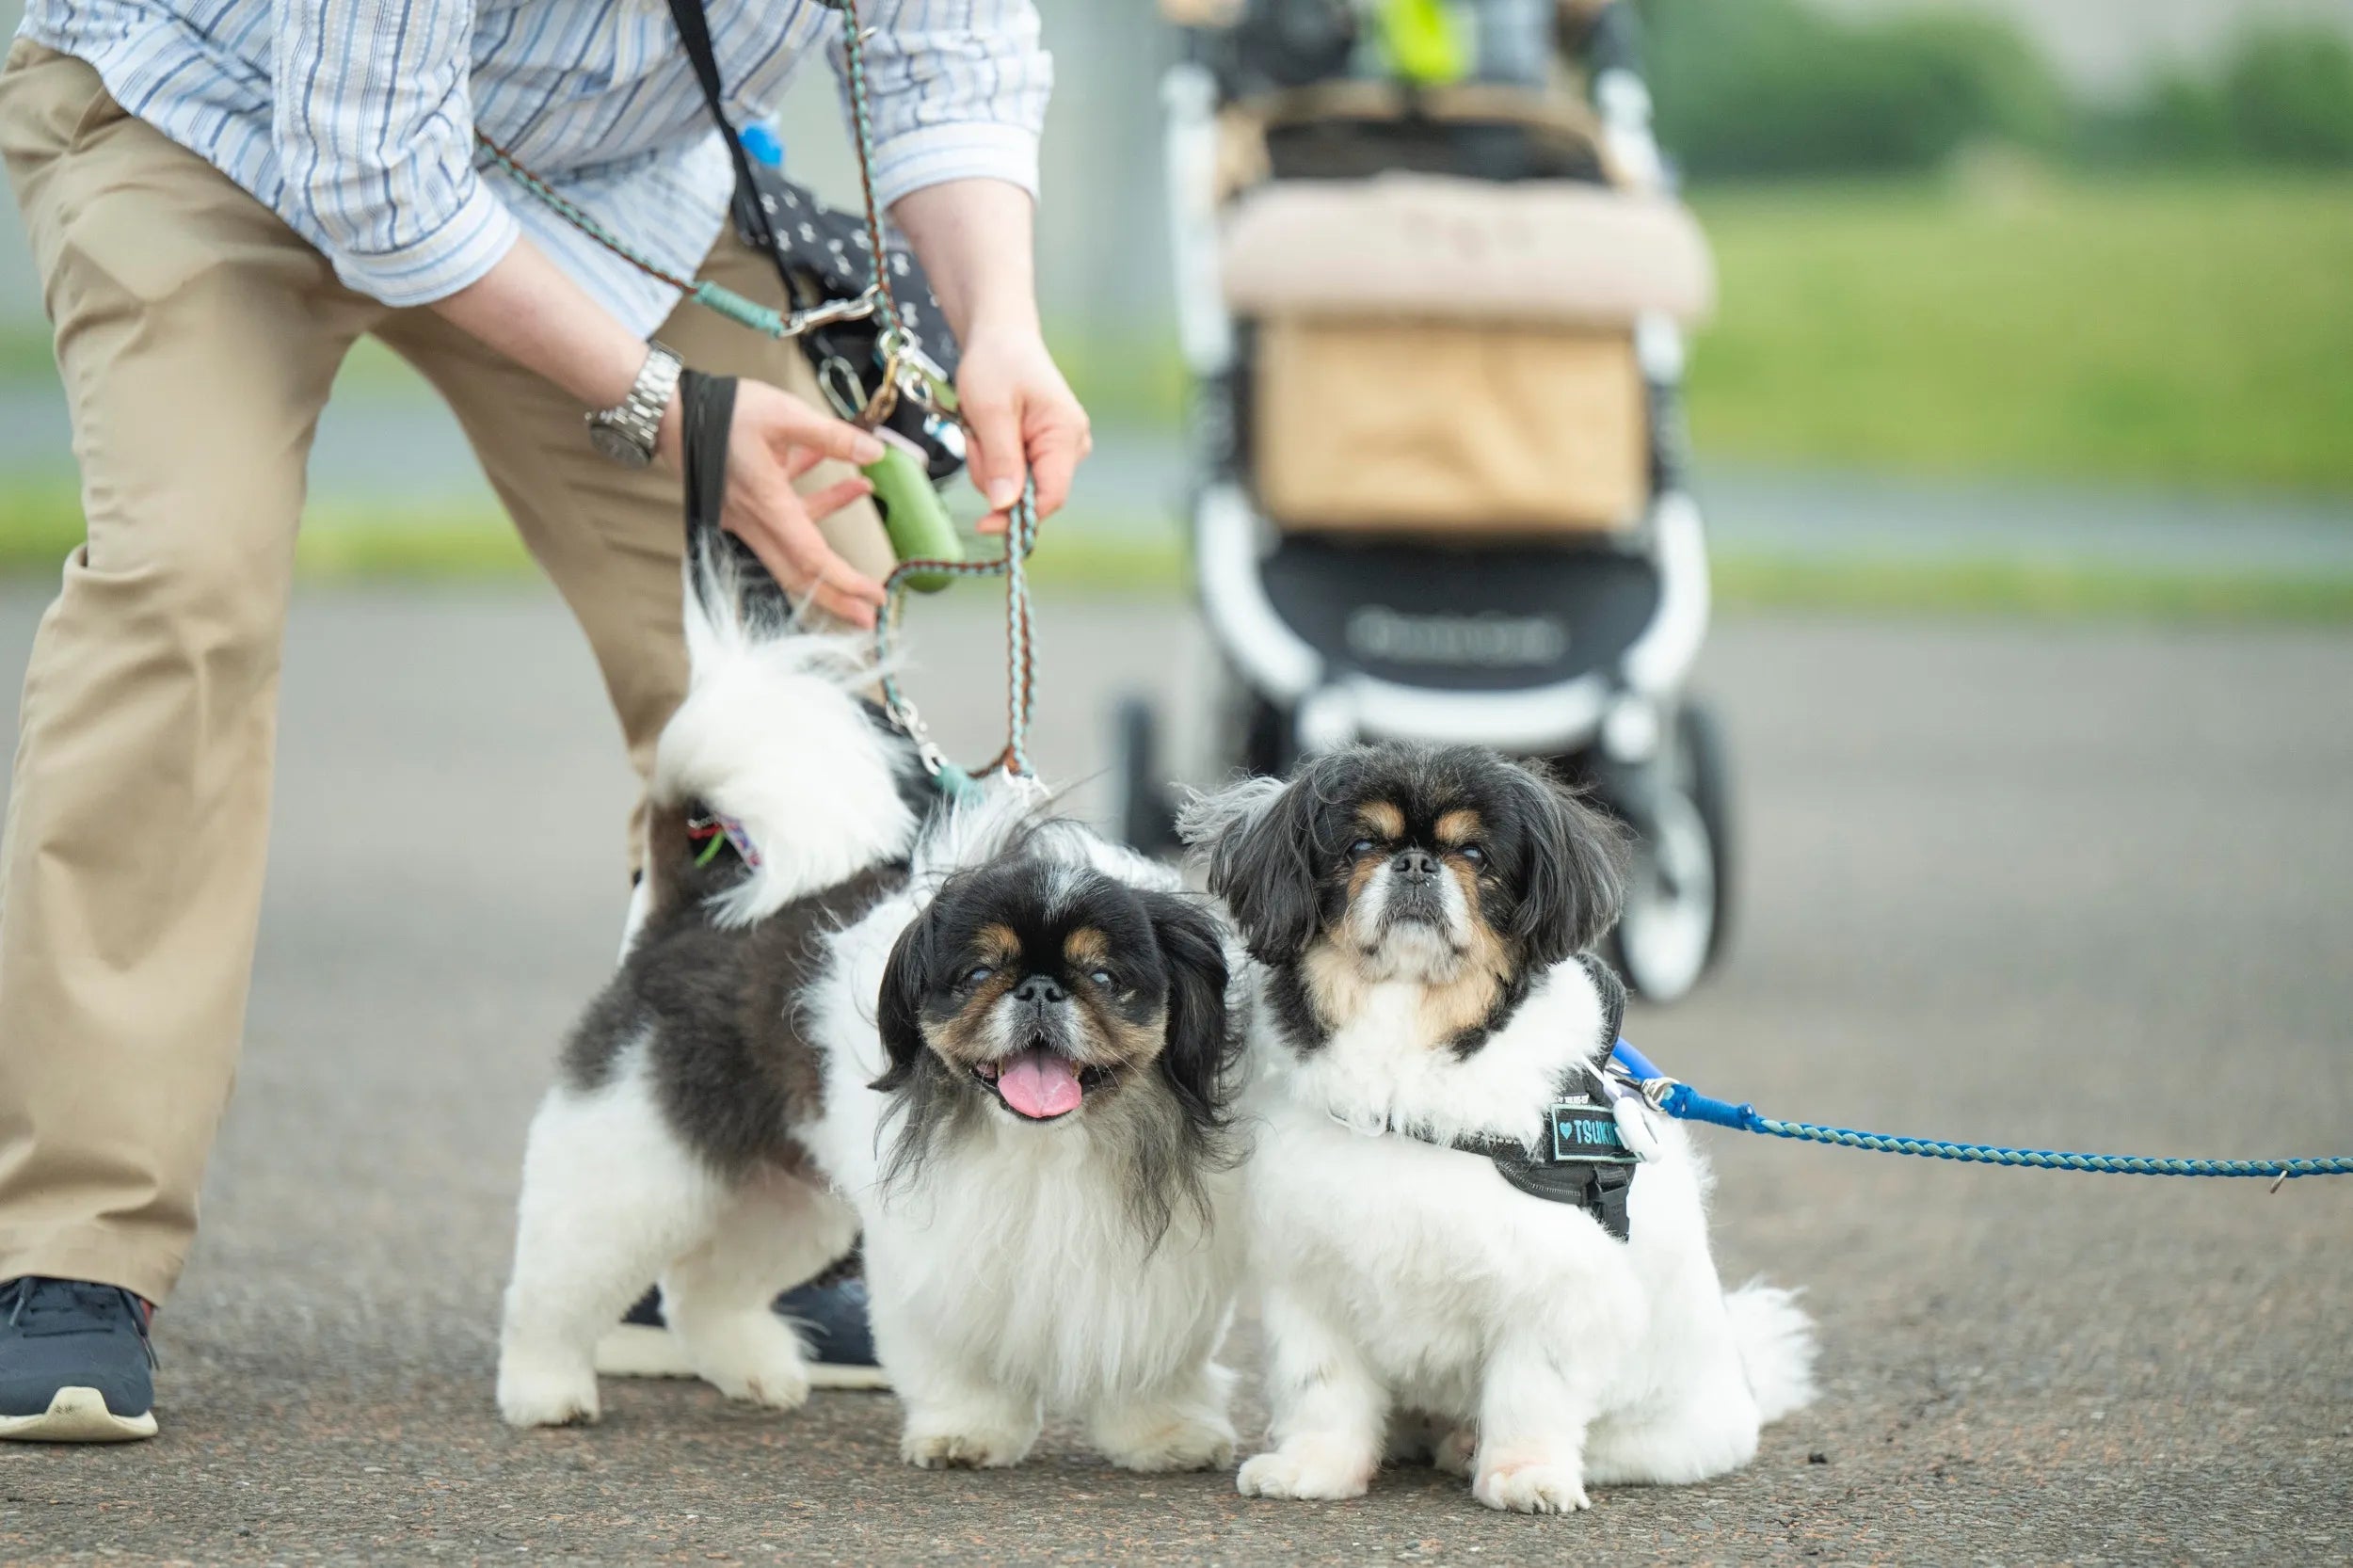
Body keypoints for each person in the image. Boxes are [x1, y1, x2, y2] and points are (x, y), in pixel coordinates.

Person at [0, 0, 1088, 1443]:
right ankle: (73, 1240)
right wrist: (667, 406)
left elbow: (941, 55)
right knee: (183, 589)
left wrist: (1001, 322)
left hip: (600, 184)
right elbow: (371, 169)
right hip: (212, 123)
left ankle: (711, 1201)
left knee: (796, 626)